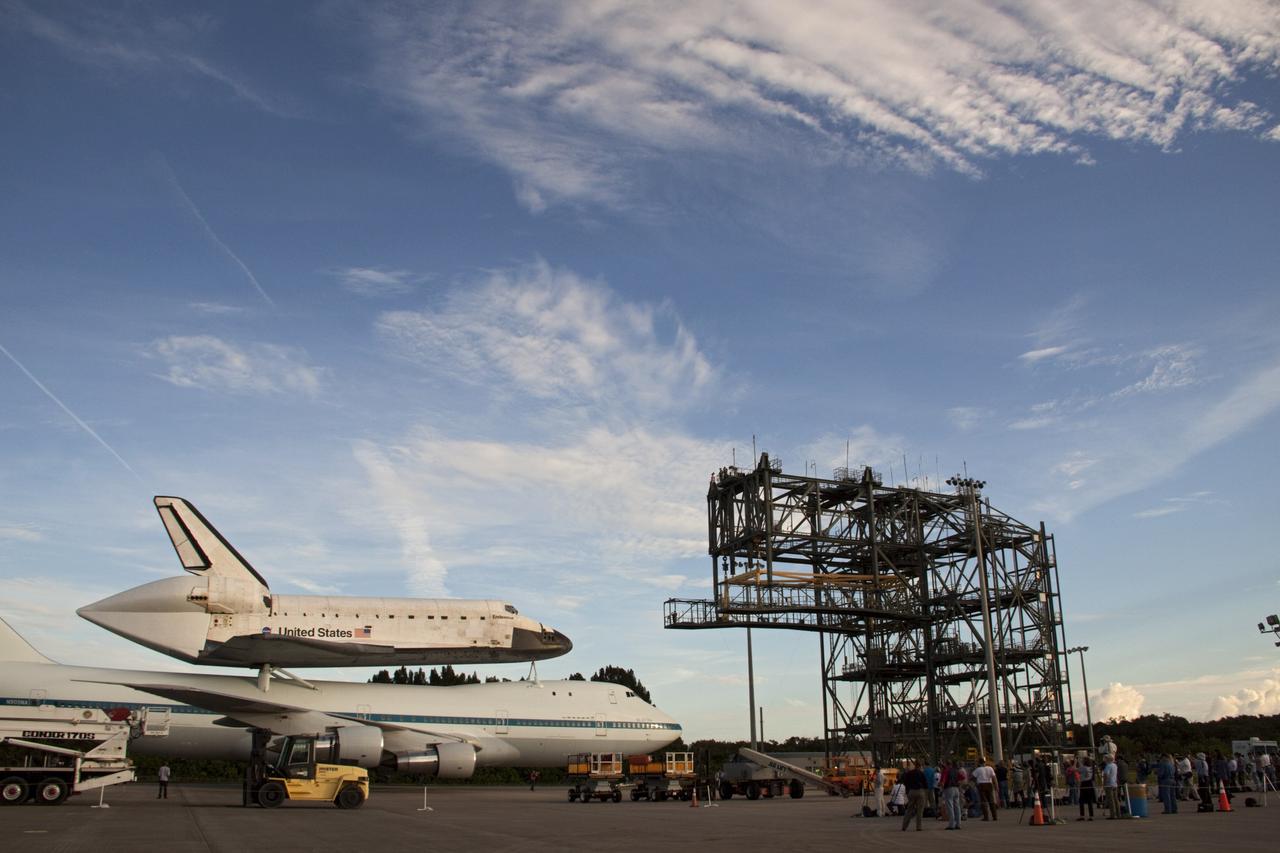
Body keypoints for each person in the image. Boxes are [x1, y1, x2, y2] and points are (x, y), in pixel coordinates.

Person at [901, 760, 929, 831]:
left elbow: (905, 782)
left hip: (911, 791)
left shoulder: (909, 773)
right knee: (920, 810)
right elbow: (925, 784)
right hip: (920, 791)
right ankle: (918, 827)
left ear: (915, 765)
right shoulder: (921, 773)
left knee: (909, 809)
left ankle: (904, 826)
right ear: (920, 766)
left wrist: (908, 790)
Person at [942, 759, 965, 830]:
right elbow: (963, 777)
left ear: (946, 764)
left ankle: (951, 824)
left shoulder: (946, 771)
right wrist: (958, 782)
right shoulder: (956, 771)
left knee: (950, 806)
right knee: (957, 806)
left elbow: (943, 781)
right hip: (956, 789)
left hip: (949, 789)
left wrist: (941, 787)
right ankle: (958, 824)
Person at [1077, 756, 1097, 821]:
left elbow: (1075, 769)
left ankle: (1082, 815)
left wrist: (1075, 762)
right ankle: (1091, 815)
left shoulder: (1083, 768)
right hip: (1090, 783)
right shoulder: (1091, 768)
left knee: (1081, 800)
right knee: (1089, 801)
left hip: (1084, 783)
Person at [1102, 755, 1121, 819]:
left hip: (1109, 784)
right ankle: (1118, 814)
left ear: (1108, 759)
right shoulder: (1115, 765)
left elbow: (1106, 775)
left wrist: (1104, 784)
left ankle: (1113, 815)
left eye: (1105, 759)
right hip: (1114, 784)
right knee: (1116, 799)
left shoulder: (1108, 766)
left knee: (1111, 800)